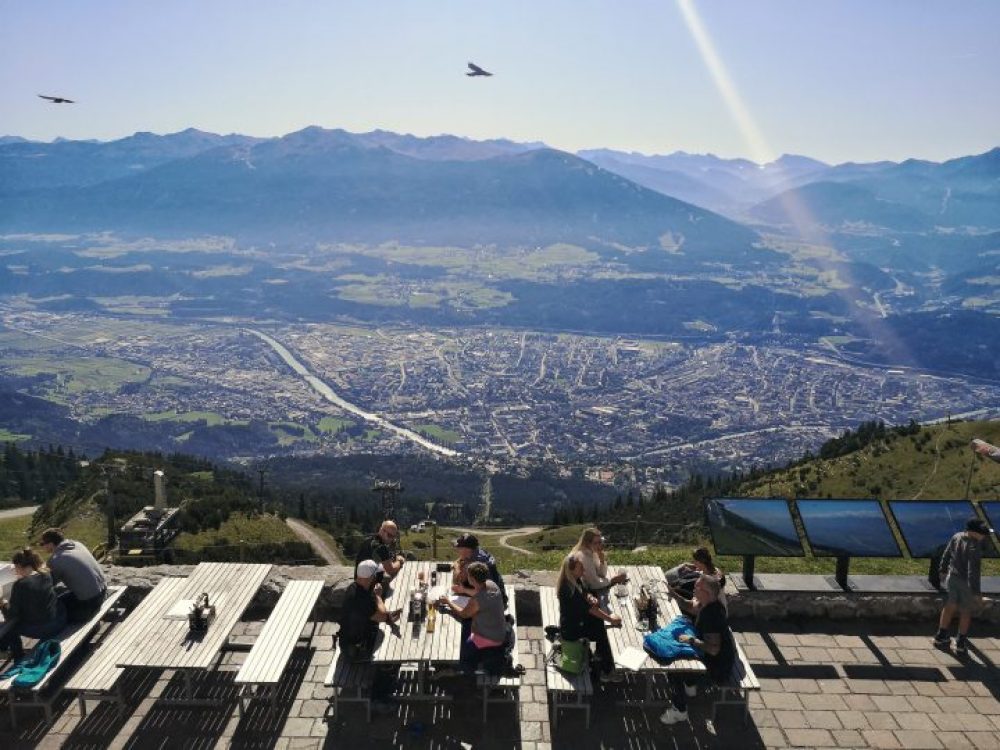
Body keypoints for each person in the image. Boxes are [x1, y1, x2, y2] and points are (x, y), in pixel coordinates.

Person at [660, 574, 736, 725]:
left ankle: (679, 710)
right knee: (677, 647)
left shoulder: (712, 616)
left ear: (707, 593)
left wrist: (691, 640)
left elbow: (713, 650)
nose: (694, 588)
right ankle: (690, 685)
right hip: (719, 657)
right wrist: (673, 593)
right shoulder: (710, 603)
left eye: (697, 587)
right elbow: (690, 606)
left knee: (672, 667)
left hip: (717, 668)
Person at [557, 551, 622, 682]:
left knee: (600, 625)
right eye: (580, 568)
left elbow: (584, 591)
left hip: (576, 620)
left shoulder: (573, 580)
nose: (583, 570)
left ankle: (600, 655)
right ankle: (606, 671)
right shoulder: (568, 590)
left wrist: (590, 596)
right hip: (572, 630)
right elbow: (591, 610)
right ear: (572, 570)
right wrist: (611, 620)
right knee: (602, 633)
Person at [436, 562, 508, 676]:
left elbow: (463, 614)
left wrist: (448, 602)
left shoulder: (477, 600)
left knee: (458, 650)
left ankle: (458, 670)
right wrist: (463, 590)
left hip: (490, 637)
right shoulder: (491, 584)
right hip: (499, 630)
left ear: (472, 579)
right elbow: (478, 591)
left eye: (468, 575)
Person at [933, 517, 992, 655]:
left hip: (952, 578)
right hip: (966, 583)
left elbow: (947, 553)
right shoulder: (974, 547)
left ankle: (941, 636)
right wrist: (977, 593)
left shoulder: (956, 536)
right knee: (966, 611)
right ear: (973, 532)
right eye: (982, 533)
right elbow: (973, 572)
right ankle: (960, 642)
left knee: (949, 607)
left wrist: (942, 569)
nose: (984, 535)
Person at [0, 548, 67, 660]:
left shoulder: (20, 584)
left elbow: (11, 615)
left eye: (16, 567)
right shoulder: (46, 574)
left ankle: (18, 656)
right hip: (59, 620)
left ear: (22, 566)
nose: (15, 571)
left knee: (9, 628)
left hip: (44, 629)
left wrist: (2, 602)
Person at [39, 527, 107, 623]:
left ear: (50, 544)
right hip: (103, 591)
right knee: (64, 598)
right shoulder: (77, 544)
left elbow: (47, 585)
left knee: (52, 612)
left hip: (90, 603)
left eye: (42, 544)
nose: (42, 547)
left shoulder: (55, 559)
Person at [570, 528, 627, 605]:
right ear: (587, 543)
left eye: (600, 542)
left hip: (591, 587)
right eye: (595, 543)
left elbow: (601, 575)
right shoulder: (583, 557)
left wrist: (602, 560)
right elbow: (594, 584)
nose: (599, 545)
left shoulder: (592, 552)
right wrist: (612, 580)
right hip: (582, 593)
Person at [451, 533, 507, 605]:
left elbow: (484, 593)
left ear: (466, 549)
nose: (457, 549)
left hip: (493, 600)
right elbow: (458, 561)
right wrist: (458, 566)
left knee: (454, 604)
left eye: (459, 547)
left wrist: (463, 590)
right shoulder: (475, 551)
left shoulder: (478, 564)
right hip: (490, 591)